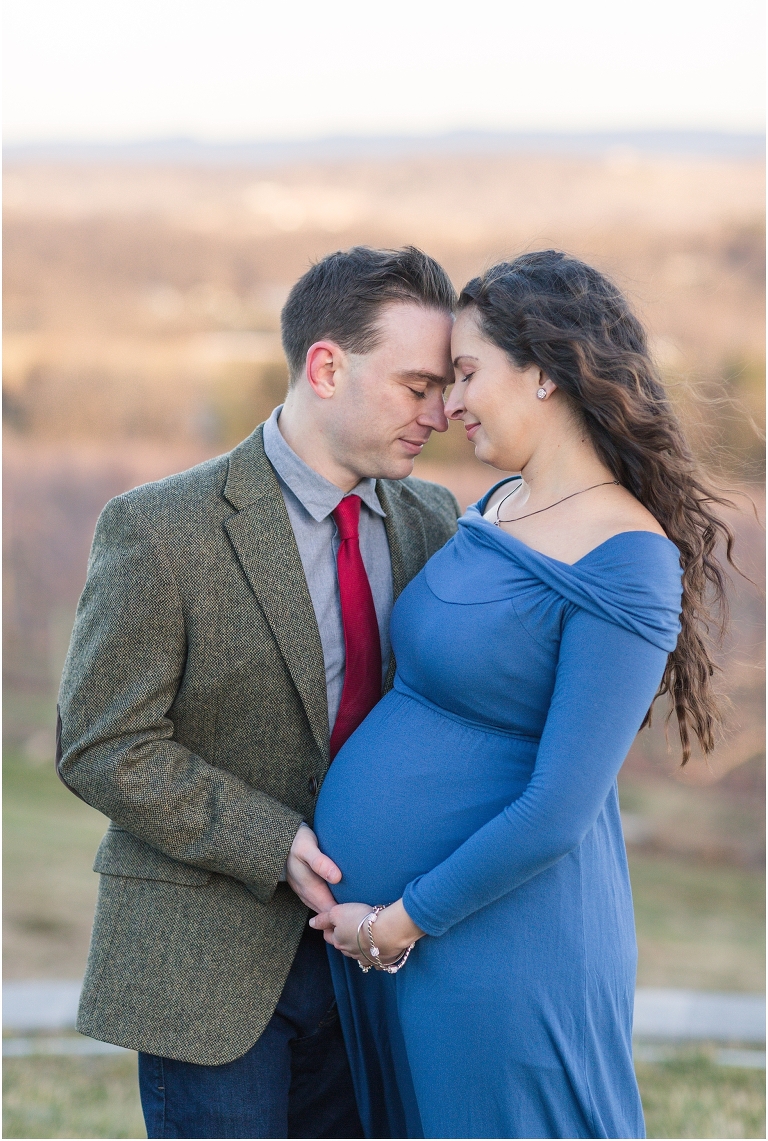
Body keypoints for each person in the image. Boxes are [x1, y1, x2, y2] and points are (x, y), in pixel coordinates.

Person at [312, 250, 737, 1140]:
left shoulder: (628, 557)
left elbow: (557, 810)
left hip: (496, 948)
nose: (449, 404)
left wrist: (399, 922)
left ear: (545, 370)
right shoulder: (499, 504)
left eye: (467, 374)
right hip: (407, 940)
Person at [56, 245, 461, 1140]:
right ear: (327, 367)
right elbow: (101, 742)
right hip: (208, 964)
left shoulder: (436, 521)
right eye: (417, 387)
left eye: (445, 389)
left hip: (375, 965)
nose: (440, 414)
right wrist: (271, 840)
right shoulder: (159, 528)